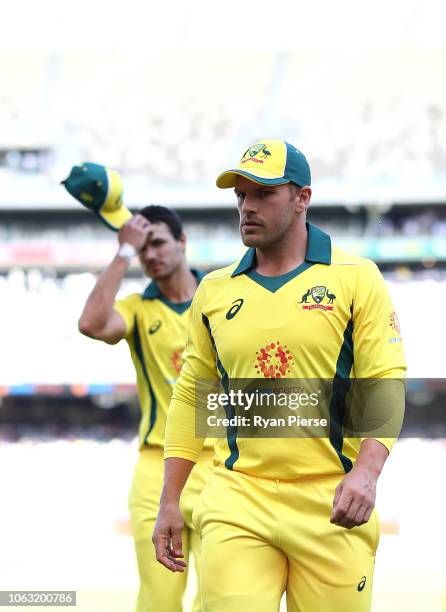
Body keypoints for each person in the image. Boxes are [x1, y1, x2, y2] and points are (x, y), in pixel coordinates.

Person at [152, 140, 406, 612]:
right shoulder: (214, 290)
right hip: (237, 498)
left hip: (332, 501)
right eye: (241, 196)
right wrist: (170, 500)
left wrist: (368, 474)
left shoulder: (356, 277)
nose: (247, 207)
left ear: (302, 198)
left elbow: (385, 380)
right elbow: (191, 397)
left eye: (263, 193)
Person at [78, 205, 214, 612]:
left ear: (182, 242)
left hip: (219, 467)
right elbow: (91, 324)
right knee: (159, 600)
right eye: (142, 250)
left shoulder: (222, 298)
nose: (149, 254)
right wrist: (123, 252)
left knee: (222, 597)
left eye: (157, 243)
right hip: (157, 467)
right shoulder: (138, 308)